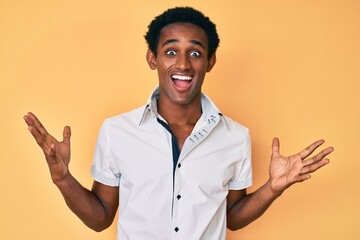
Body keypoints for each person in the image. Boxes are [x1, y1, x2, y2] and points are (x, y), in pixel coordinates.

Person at [23, 6, 333, 240]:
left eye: (195, 53)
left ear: (209, 61)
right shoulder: (117, 131)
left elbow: (232, 217)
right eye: (171, 51)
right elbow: (101, 217)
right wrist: (63, 179)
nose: (183, 64)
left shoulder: (235, 137)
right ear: (152, 58)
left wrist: (272, 189)